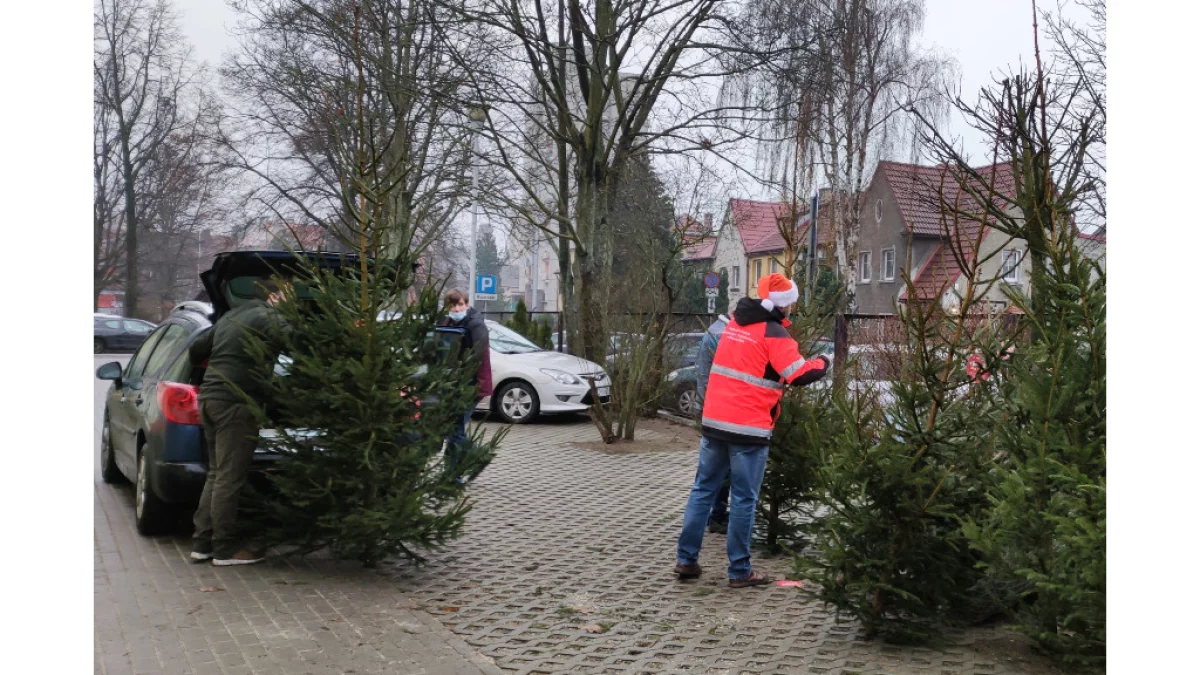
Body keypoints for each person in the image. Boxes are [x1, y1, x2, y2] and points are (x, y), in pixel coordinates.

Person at [675, 273, 830, 587]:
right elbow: (797, 374)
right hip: (748, 428)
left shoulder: (735, 325)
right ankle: (739, 570)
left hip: (715, 421)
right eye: (792, 303)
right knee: (744, 498)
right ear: (784, 305)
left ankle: (686, 560)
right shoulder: (775, 334)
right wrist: (825, 362)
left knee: (703, 491)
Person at [190, 279, 291, 566]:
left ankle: (202, 544)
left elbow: (196, 349)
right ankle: (223, 550)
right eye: (287, 294)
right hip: (236, 404)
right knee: (229, 478)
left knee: (216, 473)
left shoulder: (230, 317)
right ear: (273, 296)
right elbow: (299, 341)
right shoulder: (267, 316)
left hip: (210, 399)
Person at [440, 289, 492, 477]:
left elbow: (477, 356)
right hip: (452, 385)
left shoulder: (475, 325)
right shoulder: (445, 324)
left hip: (472, 385)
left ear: (467, 304)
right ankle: (455, 471)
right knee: (454, 429)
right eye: (452, 305)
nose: (456, 309)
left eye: (460, 304)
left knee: (456, 429)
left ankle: (462, 468)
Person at [695, 313, 731, 534]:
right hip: (724, 410)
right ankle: (717, 515)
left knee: (710, 470)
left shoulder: (713, 331)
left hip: (711, 409)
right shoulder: (724, 334)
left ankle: (711, 517)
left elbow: (702, 373)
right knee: (722, 468)